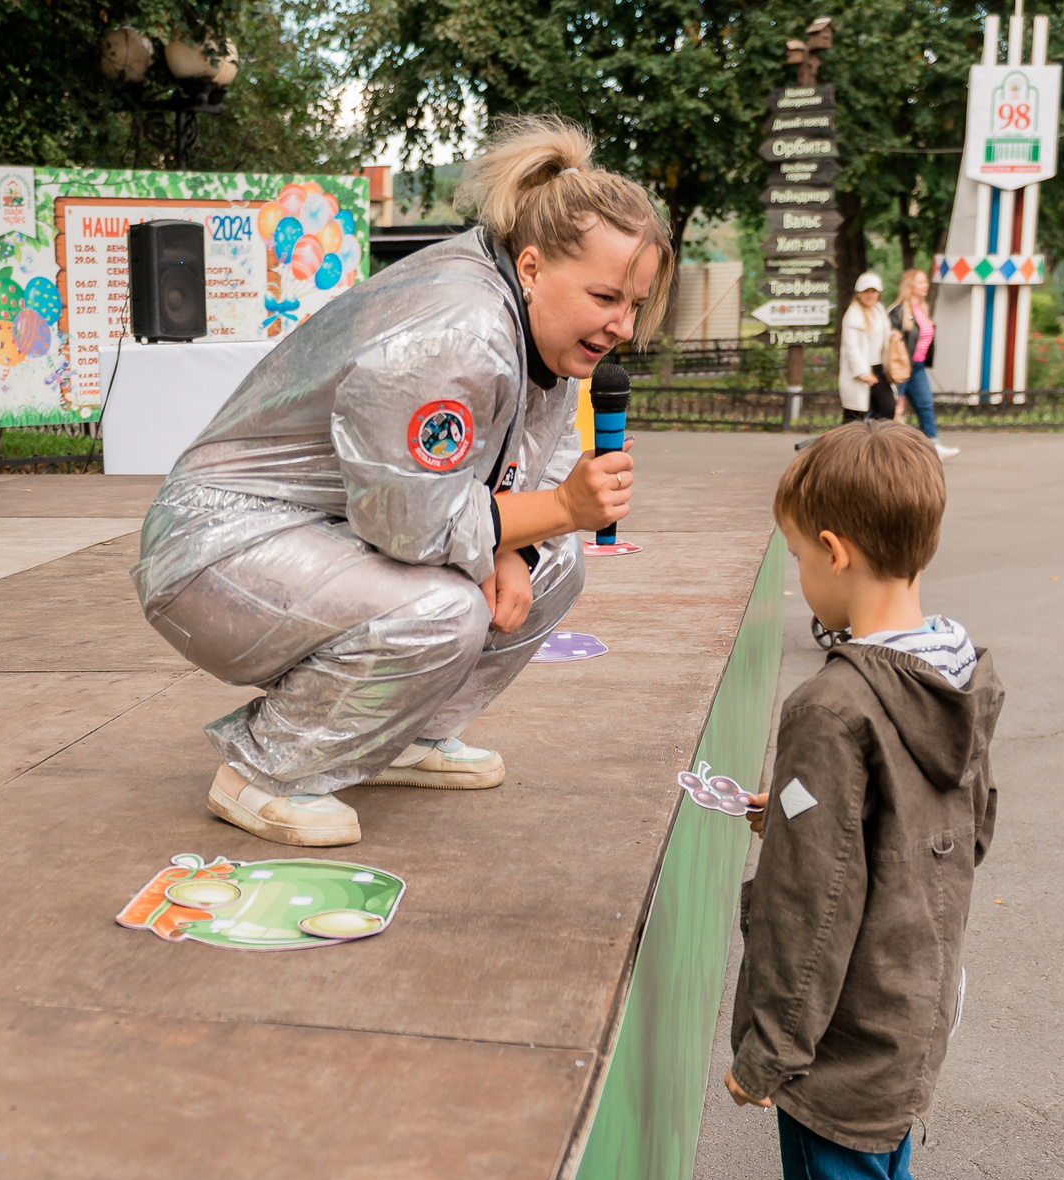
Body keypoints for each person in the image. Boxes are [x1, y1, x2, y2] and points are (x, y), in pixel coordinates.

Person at [131, 115, 670, 846]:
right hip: (216, 544)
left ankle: (399, 736)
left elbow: (525, 460)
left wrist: (522, 544)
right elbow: (411, 525)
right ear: (535, 266)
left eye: (634, 305)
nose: (623, 327)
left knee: (555, 565)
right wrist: (561, 507)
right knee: (443, 607)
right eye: (607, 298)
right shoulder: (459, 332)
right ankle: (268, 770)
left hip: (330, 530)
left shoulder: (532, 322)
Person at [696, 421, 1003, 1180]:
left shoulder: (834, 707)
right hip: (917, 998)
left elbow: (807, 908)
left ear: (834, 548)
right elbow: (953, 831)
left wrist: (765, 1051)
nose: (794, 575)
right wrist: (787, 810)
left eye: (794, 555)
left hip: (846, 1026)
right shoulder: (958, 672)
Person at [885, 269, 957, 459]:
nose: (925, 285)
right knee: (895, 408)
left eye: (925, 282)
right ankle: (886, 447)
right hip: (901, 368)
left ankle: (932, 445)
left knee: (925, 404)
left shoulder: (923, 309)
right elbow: (891, 339)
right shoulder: (898, 311)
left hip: (917, 367)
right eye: (921, 282)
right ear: (910, 286)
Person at [838, 272, 893, 424]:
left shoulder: (879, 310)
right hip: (860, 371)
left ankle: (876, 444)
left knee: (887, 408)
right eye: (866, 291)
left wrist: (893, 336)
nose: (870, 295)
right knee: (854, 415)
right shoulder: (853, 315)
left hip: (878, 368)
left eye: (873, 291)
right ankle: (846, 447)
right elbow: (851, 346)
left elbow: (882, 334)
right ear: (858, 293)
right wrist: (862, 373)